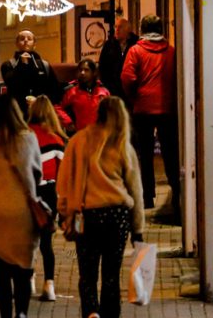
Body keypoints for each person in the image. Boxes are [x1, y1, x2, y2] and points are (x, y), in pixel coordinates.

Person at [58, 96, 146, 318]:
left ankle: (91, 313)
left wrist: (64, 212)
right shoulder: (123, 145)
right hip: (117, 215)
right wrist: (138, 230)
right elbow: (136, 190)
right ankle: (110, 314)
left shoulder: (79, 141)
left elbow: (64, 180)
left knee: (87, 274)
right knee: (111, 275)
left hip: (85, 215)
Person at [0, 93, 44, 318]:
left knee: (1, 270)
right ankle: (22, 313)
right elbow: (38, 175)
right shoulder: (28, 138)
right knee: (23, 268)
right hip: (21, 211)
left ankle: (5, 315)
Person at [122, 13, 180, 221]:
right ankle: (177, 192)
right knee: (171, 152)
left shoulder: (135, 51)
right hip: (168, 108)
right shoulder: (171, 51)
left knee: (144, 155)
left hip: (143, 108)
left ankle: (147, 196)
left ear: (143, 29)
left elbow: (127, 78)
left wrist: (134, 97)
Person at [27, 96, 67, 302]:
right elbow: (63, 175)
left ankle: (29, 279)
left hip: (28, 193)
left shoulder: (24, 135)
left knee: (28, 239)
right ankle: (49, 285)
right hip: (49, 194)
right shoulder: (57, 140)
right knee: (46, 242)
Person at [0, 30, 61, 107]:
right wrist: (22, 65)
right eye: (22, 39)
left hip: (40, 111)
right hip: (18, 110)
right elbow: (11, 83)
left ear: (34, 44)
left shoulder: (44, 65)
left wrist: (40, 102)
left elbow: (55, 90)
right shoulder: (8, 65)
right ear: (17, 43)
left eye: (29, 39)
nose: (25, 40)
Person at [60, 58, 110, 133]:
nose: (82, 73)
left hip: (100, 134)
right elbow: (58, 107)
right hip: (81, 134)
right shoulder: (72, 91)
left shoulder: (104, 92)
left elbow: (112, 112)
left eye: (86, 70)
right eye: (80, 70)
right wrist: (68, 122)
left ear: (94, 73)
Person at [98, 14, 138, 100]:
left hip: (130, 91)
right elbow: (102, 66)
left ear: (128, 30)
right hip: (112, 90)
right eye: (115, 27)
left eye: (120, 27)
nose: (117, 30)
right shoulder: (109, 45)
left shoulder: (136, 44)